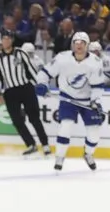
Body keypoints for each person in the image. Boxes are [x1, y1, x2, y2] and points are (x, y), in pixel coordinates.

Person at [36, 32, 103, 171]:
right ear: (72, 44)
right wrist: (42, 84)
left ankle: (88, 154)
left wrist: (95, 101)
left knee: (94, 133)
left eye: (82, 43)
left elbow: (97, 86)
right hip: (68, 99)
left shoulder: (95, 62)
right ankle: (60, 157)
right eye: (76, 43)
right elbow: (44, 73)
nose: (78, 46)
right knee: (65, 126)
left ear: (87, 45)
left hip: (88, 101)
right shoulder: (62, 58)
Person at [0, 30, 50, 156]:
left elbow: (31, 70)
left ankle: (45, 144)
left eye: (8, 38)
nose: (5, 41)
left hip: (26, 88)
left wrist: (40, 85)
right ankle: (30, 144)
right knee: (17, 120)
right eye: (3, 39)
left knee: (34, 118)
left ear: (11, 40)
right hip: (10, 92)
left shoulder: (20, 53)